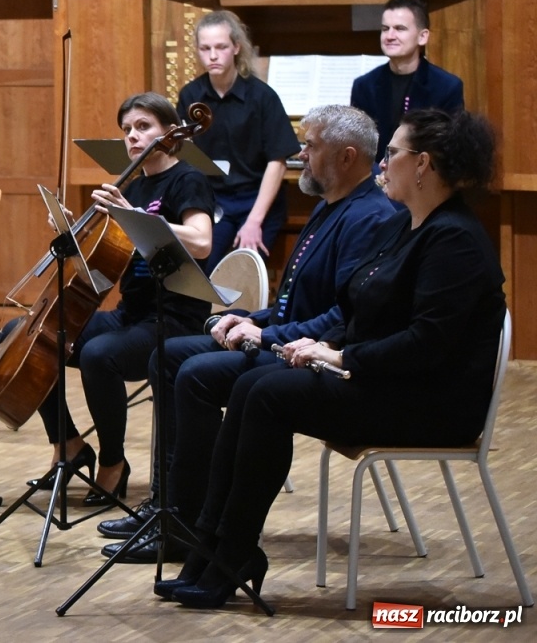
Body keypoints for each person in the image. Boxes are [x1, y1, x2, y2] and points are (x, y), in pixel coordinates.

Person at [160, 109, 506, 608]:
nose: (383, 164)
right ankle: (211, 552)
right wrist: (315, 344)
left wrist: (341, 355)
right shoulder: (410, 225)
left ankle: (229, 553)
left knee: (268, 394)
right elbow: (358, 307)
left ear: (424, 164)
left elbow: (428, 344)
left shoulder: (453, 238)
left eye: (392, 154)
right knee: (252, 386)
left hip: (433, 403)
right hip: (389, 380)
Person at [99, 104, 397, 561]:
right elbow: (294, 299)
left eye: (310, 146)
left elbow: (342, 317)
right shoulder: (330, 205)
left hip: (317, 358)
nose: (299, 155)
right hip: (288, 338)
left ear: (346, 157)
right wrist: (249, 318)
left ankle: (185, 523)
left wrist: (269, 336)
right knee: (169, 355)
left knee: (196, 373)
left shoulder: (369, 216)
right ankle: (167, 506)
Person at [6, 93, 215, 504]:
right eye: (127, 130)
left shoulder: (187, 179)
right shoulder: (136, 185)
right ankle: (67, 445)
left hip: (172, 318)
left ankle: (113, 463)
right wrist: (73, 232)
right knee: (26, 333)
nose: (133, 137)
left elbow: (203, 242)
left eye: (143, 127)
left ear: (170, 132)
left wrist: (131, 215)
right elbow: (110, 261)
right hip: (131, 313)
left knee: (98, 355)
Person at [176, 10, 301, 270]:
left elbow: (277, 162)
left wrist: (254, 221)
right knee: (202, 266)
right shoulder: (191, 95)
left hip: (255, 199)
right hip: (214, 201)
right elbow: (184, 154)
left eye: (220, 47)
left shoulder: (262, 97)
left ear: (236, 47)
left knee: (243, 270)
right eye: (205, 48)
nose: (212, 55)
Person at [350, 0, 464, 163]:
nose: (389, 36)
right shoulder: (364, 86)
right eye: (385, 28)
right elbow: (359, 146)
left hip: (425, 181)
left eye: (400, 28)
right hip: (375, 182)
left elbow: (448, 150)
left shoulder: (447, 86)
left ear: (422, 37)